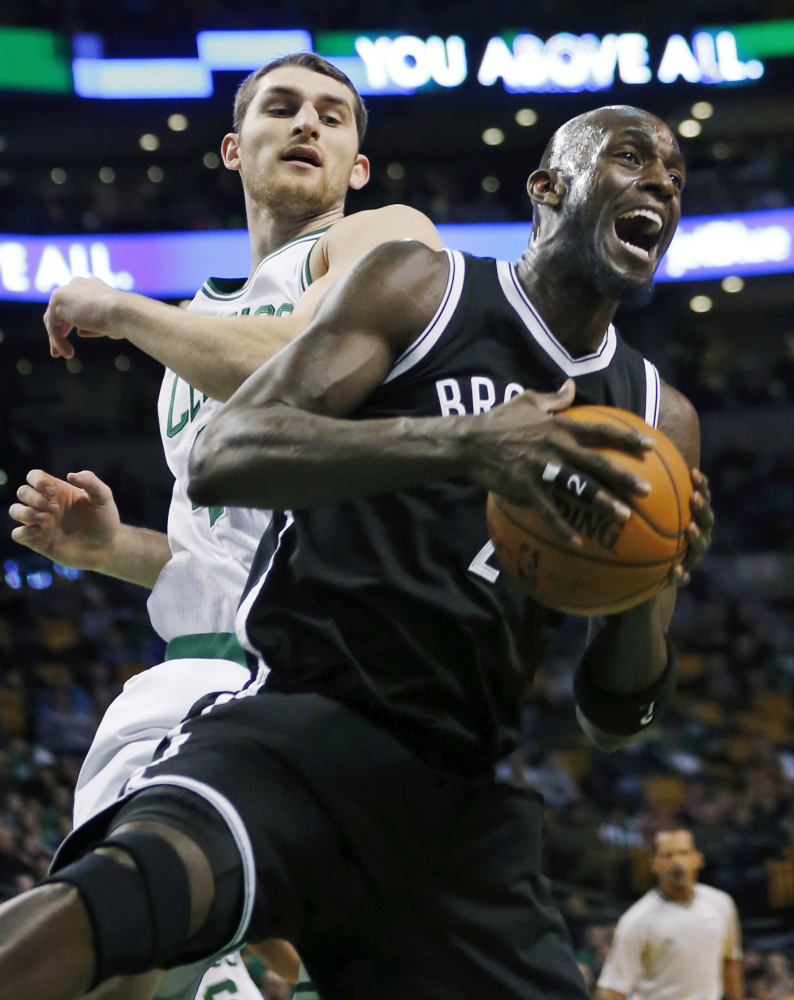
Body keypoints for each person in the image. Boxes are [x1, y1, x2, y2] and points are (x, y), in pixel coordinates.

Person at [0, 105, 715, 1000]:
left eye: (676, 177)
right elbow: (227, 457)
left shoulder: (661, 423)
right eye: (632, 157)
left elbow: (615, 720)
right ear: (548, 187)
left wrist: (650, 590)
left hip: (460, 798)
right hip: (301, 724)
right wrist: (462, 446)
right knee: (115, 904)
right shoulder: (423, 288)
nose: (660, 182)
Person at [8, 52, 441, 1000]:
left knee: (96, 937)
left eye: (334, 116)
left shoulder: (381, 238)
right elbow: (227, 556)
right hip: (196, 668)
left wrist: (123, 309)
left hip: (301, 677)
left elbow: (315, 359)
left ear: (359, 167)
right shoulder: (199, 330)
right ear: (232, 148)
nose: (309, 126)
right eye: (282, 109)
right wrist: (110, 549)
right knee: (127, 956)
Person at [596, 828, 743, 1000]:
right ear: (654, 863)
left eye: (684, 853)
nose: (677, 862)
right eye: (668, 855)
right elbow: (611, 990)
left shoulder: (721, 904)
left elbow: (731, 963)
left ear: (698, 858)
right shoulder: (637, 920)